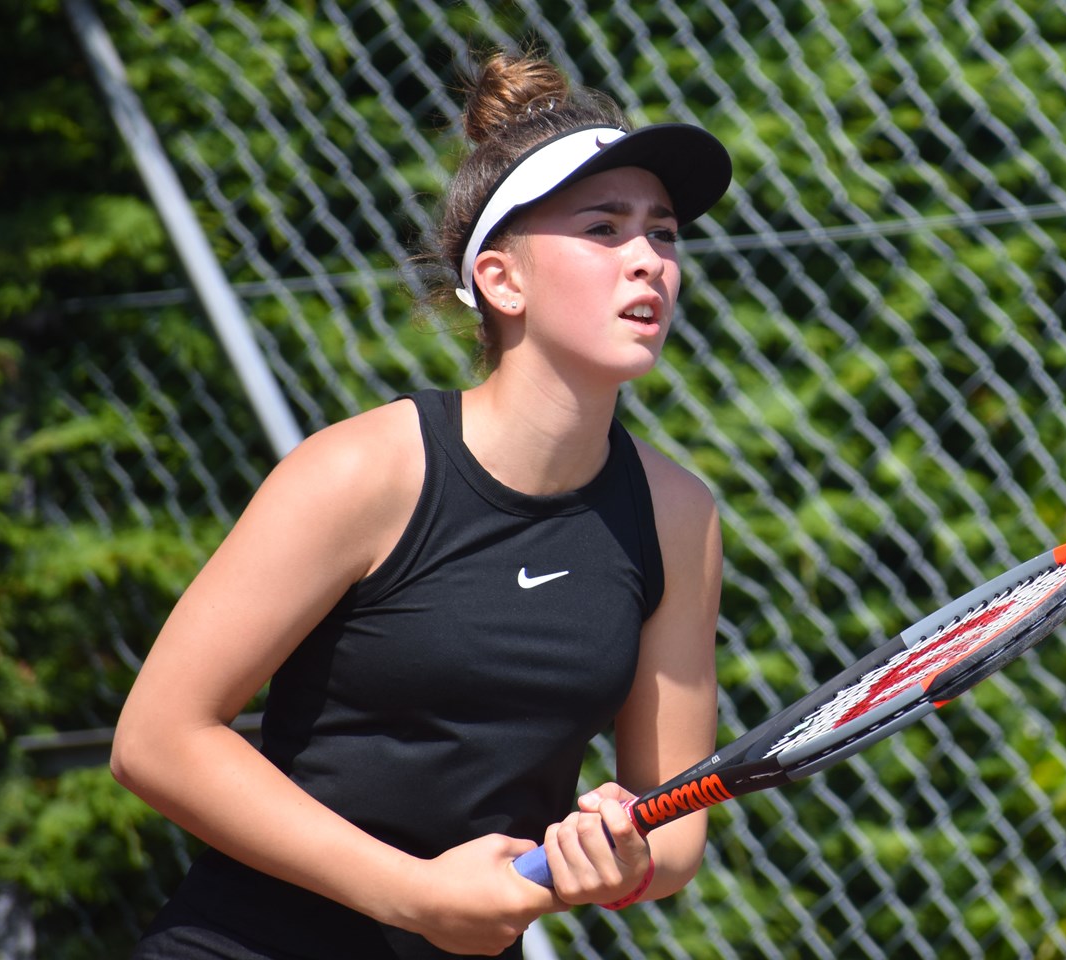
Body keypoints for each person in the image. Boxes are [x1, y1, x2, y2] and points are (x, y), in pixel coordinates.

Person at [114, 49, 732, 960]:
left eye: (665, 232)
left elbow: (674, 824)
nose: (648, 261)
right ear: (500, 279)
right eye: (604, 229)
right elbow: (157, 740)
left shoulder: (679, 515)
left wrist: (622, 850)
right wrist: (410, 894)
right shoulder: (364, 472)